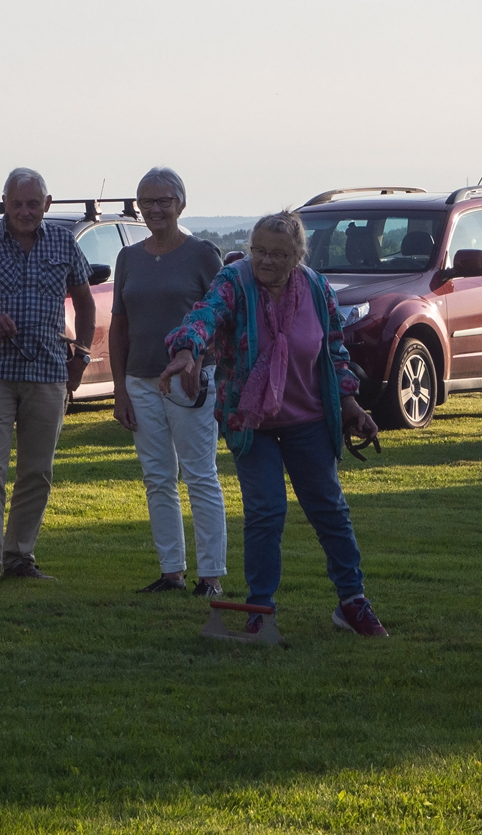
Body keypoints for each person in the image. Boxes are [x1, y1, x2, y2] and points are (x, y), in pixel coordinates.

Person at [159, 210, 388, 637]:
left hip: (310, 419)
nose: (265, 260)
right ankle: (259, 608)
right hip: (252, 421)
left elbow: (334, 353)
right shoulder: (235, 281)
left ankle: (352, 602)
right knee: (266, 512)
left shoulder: (317, 289)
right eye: (259, 250)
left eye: (278, 254)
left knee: (330, 511)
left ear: (297, 256)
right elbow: (205, 314)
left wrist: (351, 404)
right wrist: (187, 349)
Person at [0, 167, 94, 588]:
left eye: (33, 204)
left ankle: (19, 556)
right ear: (5, 203)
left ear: (47, 204)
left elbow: (85, 303)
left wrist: (81, 356)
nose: (25, 212)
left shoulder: (64, 243)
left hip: (48, 371)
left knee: (37, 471)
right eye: (17, 204)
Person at [109, 166, 228, 597]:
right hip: (140, 381)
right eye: (147, 201)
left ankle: (210, 576)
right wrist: (120, 390)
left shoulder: (202, 254)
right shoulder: (128, 258)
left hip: (189, 381)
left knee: (199, 475)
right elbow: (119, 326)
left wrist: (199, 361)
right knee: (157, 477)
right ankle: (171, 572)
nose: (155, 209)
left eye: (164, 200)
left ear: (181, 204)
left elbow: (221, 314)